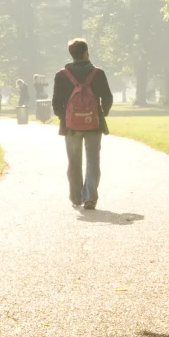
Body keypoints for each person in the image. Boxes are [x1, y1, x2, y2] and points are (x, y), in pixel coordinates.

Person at [51, 39, 114, 210]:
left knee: (74, 161)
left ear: (71, 54)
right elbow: (107, 97)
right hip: (93, 124)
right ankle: (90, 198)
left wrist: (64, 118)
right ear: (86, 53)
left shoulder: (62, 75)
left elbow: (56, 103)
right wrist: (101, 113)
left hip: (71, 126)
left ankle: (76, 197)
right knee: (93, 160)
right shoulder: (98, 73)